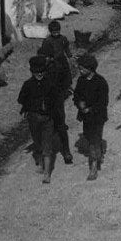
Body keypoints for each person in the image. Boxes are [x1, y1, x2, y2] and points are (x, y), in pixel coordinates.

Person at [18, 56, 61, 184]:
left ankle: (47, 173)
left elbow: (57, 101)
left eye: (42, 71)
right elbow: (21, 99)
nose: (40, 74)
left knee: (47, 145)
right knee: (38, 142)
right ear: (32, 71)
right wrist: (28, 107)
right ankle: (42, 164)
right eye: (37, 71)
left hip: (48, 119)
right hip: (33, 119)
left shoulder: (51, 84)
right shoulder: (27, 85)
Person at [40, 21, 74, 164]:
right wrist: (49, 60)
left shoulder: (63, 39)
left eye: (57, 30)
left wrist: (70, 56)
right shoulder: (47, 42)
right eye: (53, 31)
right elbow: (43, 55)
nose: (56, 33)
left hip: (61, 69)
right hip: (53, 68)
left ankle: (66, 152)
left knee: (60, 120)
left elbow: (67, 50)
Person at [73, 54, 109, 181]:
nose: (80, 71)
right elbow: (76, 95)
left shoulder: (100, 82)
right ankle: (99, 151)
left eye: (83, 69)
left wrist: (91, 109)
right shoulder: (81, 81)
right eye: (79, 68)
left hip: (98, 116)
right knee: (89, 136)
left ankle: (94, 166)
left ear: (91, 68)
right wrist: (79, 103)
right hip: (86, 117)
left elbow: (103, 101)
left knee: (93, 141)